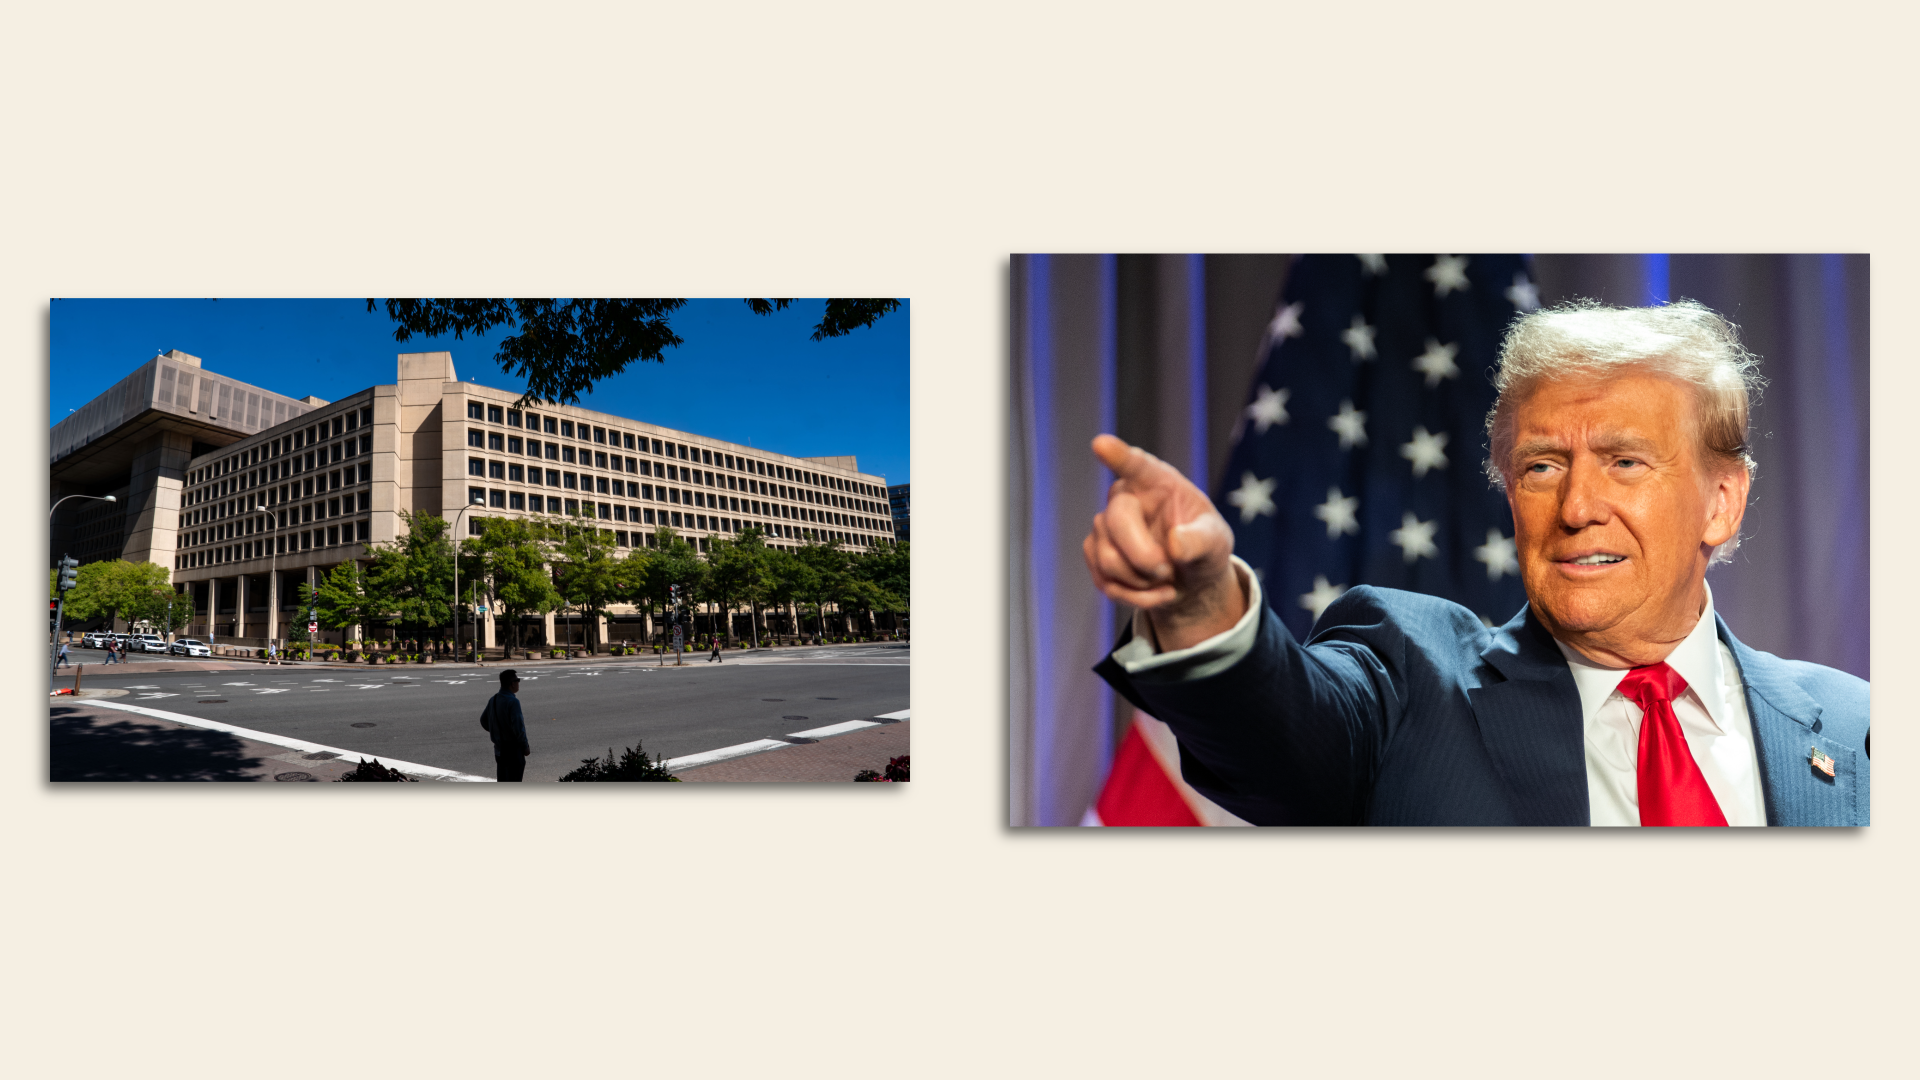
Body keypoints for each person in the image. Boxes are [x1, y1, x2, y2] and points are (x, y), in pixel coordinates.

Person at [1085, 299, 1869, 826]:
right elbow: (1282, 734)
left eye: (1626, 462)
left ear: (1722, 502)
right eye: (1540, 467)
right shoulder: (1409, 682)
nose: (1575, 506)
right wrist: (1197, 606)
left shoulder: (1858, 728)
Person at [480, 668, 531, 782]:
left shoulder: (493, 699)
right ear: (512, 684)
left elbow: (483, 721)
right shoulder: (513, 702)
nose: (518, 683)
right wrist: (525, 746)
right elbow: (518, 728)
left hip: (499, 750)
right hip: (513, 751)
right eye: (518, 680)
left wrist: (496, 730)